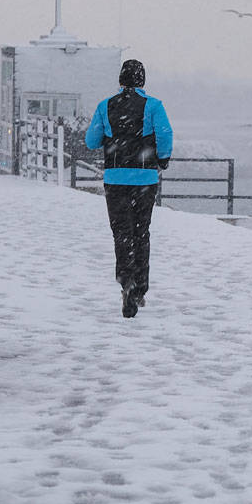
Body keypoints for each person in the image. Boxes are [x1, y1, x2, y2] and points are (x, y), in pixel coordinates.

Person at [85, 59, 173, 318]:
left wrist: (111, 137)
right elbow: (165, 135)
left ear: (121, 80)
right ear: (143, 81)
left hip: (115, 179)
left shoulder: (106, 105)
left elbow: (91, 141)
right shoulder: (154, 106)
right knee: (141, 232)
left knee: (121, 233)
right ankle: (140, 288)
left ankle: (126, 282)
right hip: (144, 179)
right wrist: (163, 159)